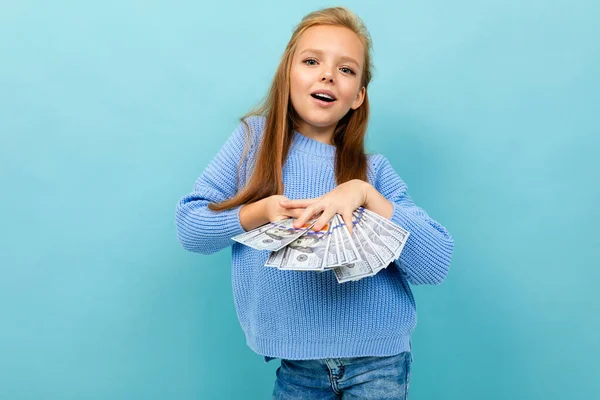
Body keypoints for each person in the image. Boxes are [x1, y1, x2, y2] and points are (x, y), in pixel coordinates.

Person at [175, 6, 454, 399]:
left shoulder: (375, 172)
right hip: (297, 367)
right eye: (311, 61)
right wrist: (260, 212)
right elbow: (191, 227)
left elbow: (436, 263)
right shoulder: (250, 145)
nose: (327, 74)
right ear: (287, 73)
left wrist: (365, 193)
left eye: (346, 69)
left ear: (358, 96)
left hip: (379, 361)